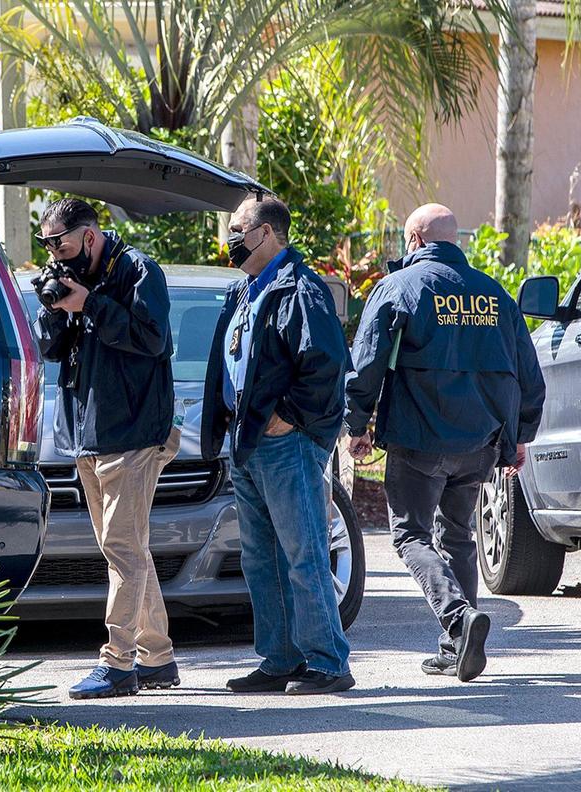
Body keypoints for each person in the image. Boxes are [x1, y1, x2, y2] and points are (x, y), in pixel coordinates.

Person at [344, 203, 545, 682]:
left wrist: (356, 424)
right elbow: (528, 372)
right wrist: (521, 434)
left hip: (420, 438)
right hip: (479, 443)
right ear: (455, 242)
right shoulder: (494, 294)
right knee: (456, 534)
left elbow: (367, 360)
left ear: (413, 240)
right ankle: (457, 648)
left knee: (409, 534)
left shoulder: (398, 288)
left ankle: (458, 618)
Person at [201, 195, 354, 695]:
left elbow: (327, 363)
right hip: (246, 444)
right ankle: (280, 659)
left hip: (285, 446)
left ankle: (329, 662)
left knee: (303, 553)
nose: (230, 238)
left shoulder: (299, 287)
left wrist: (287, 418)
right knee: (260, 557)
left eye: (238, 228)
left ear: (266, 234)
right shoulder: (246, 288)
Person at [32, 198, 181, 700]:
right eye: (48, 244)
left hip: (133, 434)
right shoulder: (69, 278)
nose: (55, 252)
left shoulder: (138, 270)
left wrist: (89, 304)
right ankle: (157, 656)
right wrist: (54, 310)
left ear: (90, 236)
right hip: (87, 436)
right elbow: (50, 350)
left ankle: (118, 664)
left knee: (122, 551)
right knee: (127, 549)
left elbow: (152, 338)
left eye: (62, 242)